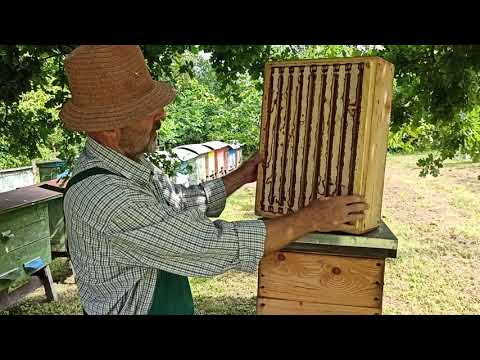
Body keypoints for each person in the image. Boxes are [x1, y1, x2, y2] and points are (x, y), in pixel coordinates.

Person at [60, 45, 368, 315]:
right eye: (147, 111)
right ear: (111, 127)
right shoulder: (105, 196)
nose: (162, 115)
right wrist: (310, 218)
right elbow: (208, 245)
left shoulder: (130, 166)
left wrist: (240, 176)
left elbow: (178, 203)